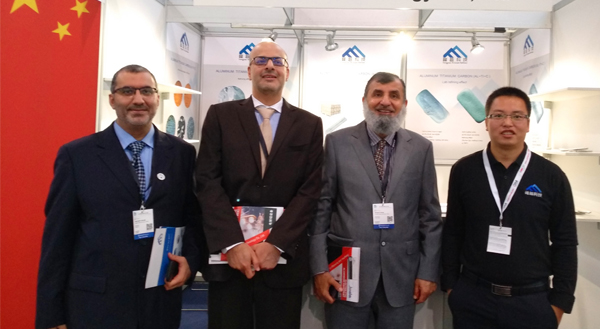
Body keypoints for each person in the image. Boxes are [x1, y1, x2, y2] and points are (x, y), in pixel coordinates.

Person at [35, 65, 203, 329]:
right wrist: (51, 315)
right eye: (127, 91)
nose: (138, 99)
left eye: (146, 91)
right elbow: (57, 238)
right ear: (112, 99)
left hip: (159, 300)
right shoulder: (78, 155)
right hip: (96, 304)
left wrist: (191, 262)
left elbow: (192, 218)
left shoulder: (181, 154)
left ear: (157, 98)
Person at [195, 41, 324, 329]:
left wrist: (277, 243)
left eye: (277, 62)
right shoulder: (221, 116)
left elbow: (309, 191)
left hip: (281, 260)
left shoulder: (309, 124)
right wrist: (233, 243)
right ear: (249, 70)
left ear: (287, 72)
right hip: (229, 259)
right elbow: (207, 181)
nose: (269, 66)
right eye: (261, 60)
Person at [309, 72, 443, 329]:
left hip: (402, 276)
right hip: (345, 274)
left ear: (404, 104)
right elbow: (321, 209)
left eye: (394, 96)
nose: (385, 102)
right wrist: (319, 268)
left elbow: (430, 216)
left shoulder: (421, 148)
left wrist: (428, 272)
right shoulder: (337, 143)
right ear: (364, 101)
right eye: (377, 94)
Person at [442, 86, 578, 329]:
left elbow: (565, 242)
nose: (507, 123)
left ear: (528, 123)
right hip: (473, 299)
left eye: (517, 116)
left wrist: (559, 303)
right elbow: (453, 232)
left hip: (531, 302)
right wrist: (452, 287)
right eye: (498, 115)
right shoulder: (464, 170)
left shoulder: (551, 176)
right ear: (486, 122)